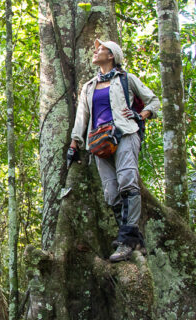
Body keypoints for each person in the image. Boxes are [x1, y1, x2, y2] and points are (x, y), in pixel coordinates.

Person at [68, 39, 160, 262]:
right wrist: (74, 144)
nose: (96, 51)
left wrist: (141, 115)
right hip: (99, 142)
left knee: (128, 182)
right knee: (110, 193)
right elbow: (82, 117)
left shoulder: (126, 79)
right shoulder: (89, 86)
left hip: (125, 134)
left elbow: (153, 101)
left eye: (101, 49)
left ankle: (126, 242)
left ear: (112, 56)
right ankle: (133, 239)